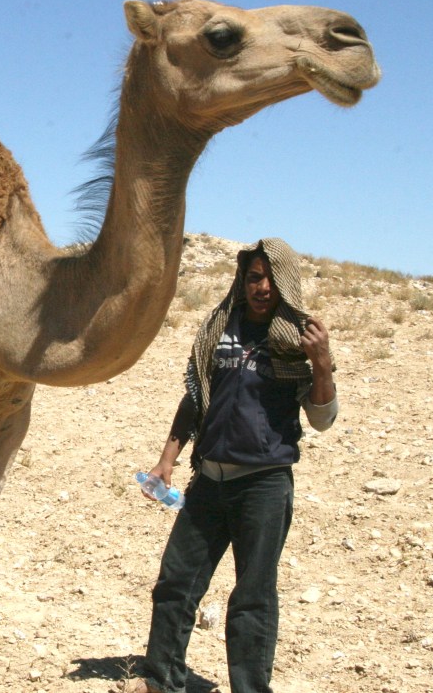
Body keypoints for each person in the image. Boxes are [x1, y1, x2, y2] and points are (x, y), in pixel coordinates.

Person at [127, 238, 338, 693]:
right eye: (254, 277)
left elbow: (322, 418)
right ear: (242, 281)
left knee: (253, 599)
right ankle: (161, 679)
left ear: (287, 284)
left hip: (263, 487)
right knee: (175, 583)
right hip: (209, 481)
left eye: (271, 279)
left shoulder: (297, 341)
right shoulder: (220, 327)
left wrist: (321, 362)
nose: (262, 287)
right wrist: (167, 459)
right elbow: (196, 397)